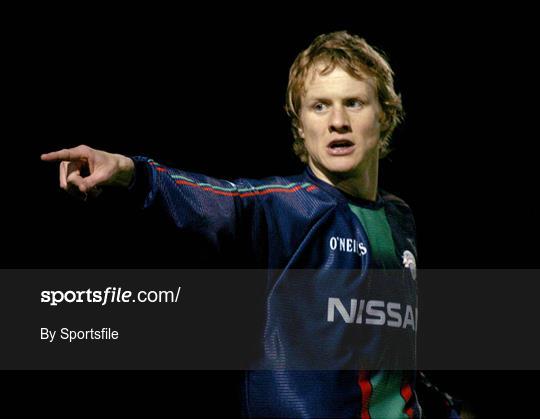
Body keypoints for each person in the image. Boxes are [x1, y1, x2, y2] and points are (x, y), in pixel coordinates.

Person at [42, 31, 459, 418]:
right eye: (319, 105)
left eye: (353, 102)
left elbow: (396, 359)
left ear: (384, 115)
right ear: (301, 124)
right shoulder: (284, 209)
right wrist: (129, 172)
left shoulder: (399, 219)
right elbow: (213, 201)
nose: (337, 121)